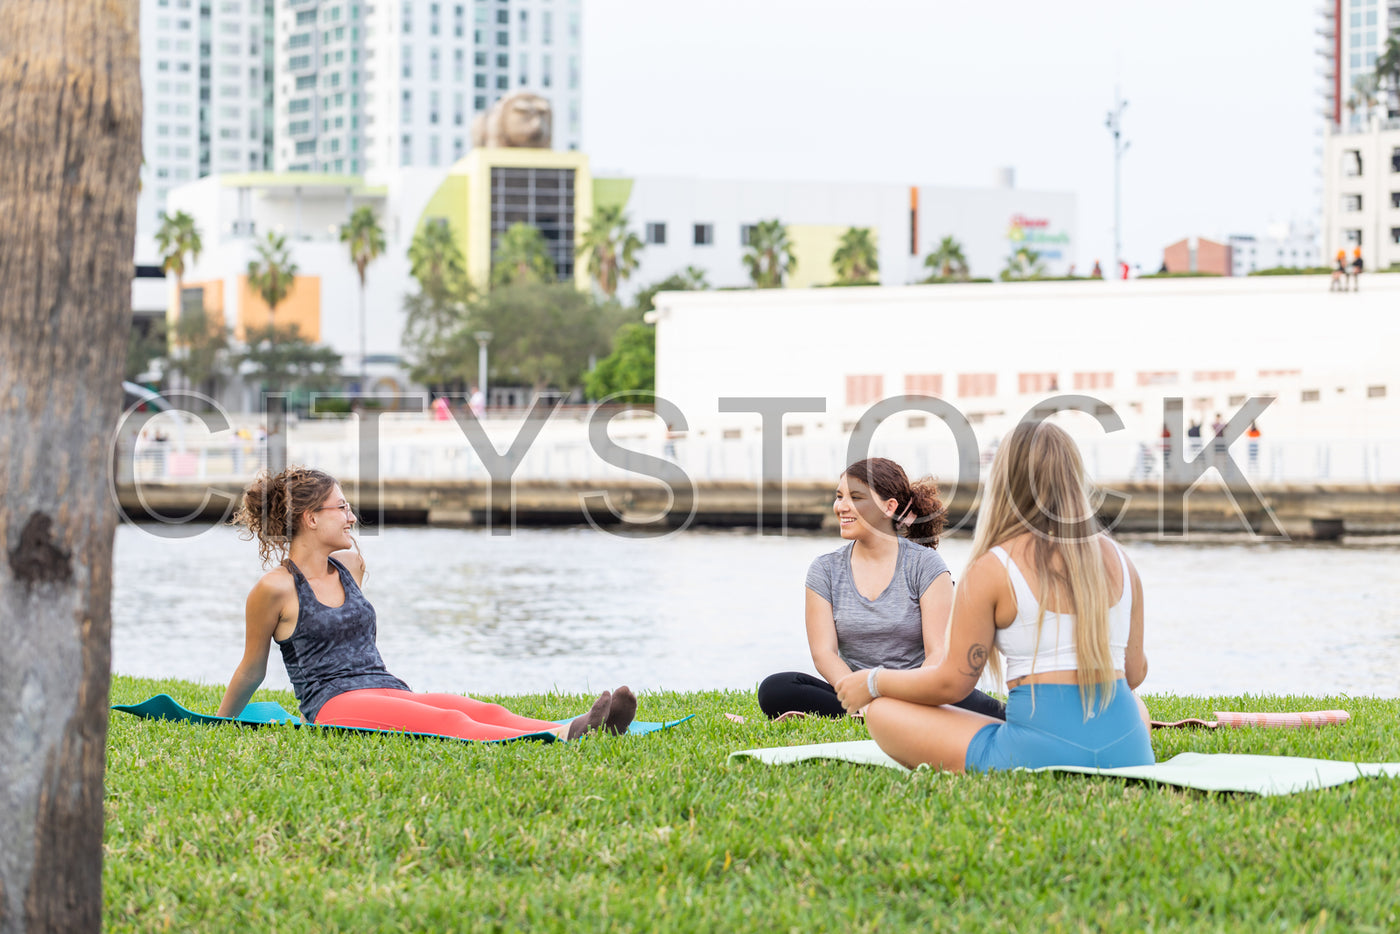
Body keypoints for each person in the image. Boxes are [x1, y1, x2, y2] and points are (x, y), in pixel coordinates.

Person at [217, 466, 636, 740]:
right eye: (342, 507)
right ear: (311, 518)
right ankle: (564, 737)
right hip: (332, 704)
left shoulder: (350, 566)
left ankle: (581, 728)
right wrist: (217, 724)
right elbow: (251, 667)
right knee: (448, 723)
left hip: (384, 686)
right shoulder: (274, 589)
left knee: (478, 707)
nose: (351, 517)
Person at [834, 421, 1153, 773]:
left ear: (1005, 482)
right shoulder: (1123, 561)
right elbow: (1133, 674)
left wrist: (873, 681)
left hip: (1034, 756)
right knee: (1134, 704)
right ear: (1075, 477)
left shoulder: (994, 566)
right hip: (1128, 751)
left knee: (882, 710)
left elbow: (952, 684)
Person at [756, 458, 1006, 722]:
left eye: (855, 497)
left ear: (889, 507)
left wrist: (905, 694)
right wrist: (859, 695)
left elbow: (938, 654)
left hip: (920, 691)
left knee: (996, 713)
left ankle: (888, 713)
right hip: (854, 692)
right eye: (839, 496)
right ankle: (875, 713)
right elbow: (824, 653)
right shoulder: (825, 570)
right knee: (776, 689)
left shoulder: (925, 565)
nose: (841, 506)